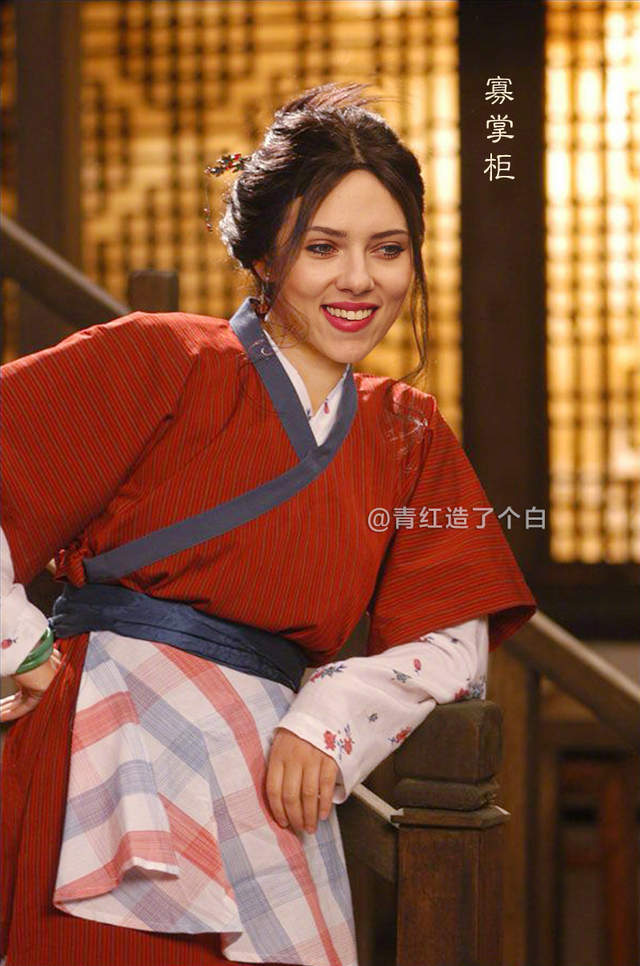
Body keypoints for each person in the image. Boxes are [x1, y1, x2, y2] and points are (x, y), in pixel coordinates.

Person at [0, 82, 536, 966]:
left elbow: (451, 636)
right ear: (264, 257)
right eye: (322, 247)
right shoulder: (162, 357)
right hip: (106, 753)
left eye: (389, 249)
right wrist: (19, 648)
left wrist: (331, 716)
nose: (360, 279)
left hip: (268, 772)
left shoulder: (407, 432)